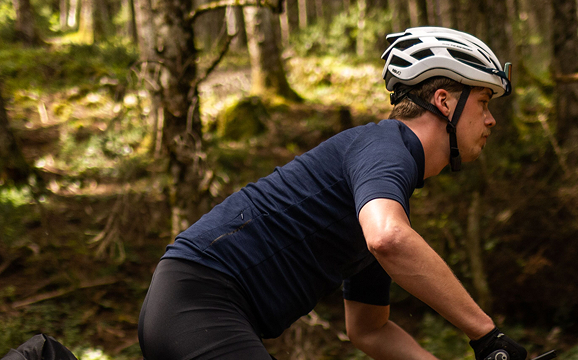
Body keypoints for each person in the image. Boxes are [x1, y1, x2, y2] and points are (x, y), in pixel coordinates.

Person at [137, 26, 527, 360]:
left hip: (194, 307)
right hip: (198, 301)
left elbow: (369, 329)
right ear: (444, 102)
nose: (491, 119)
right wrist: (485, 334)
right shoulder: (386, 146)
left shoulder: (380, 196)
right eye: (483, 101)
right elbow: (388, 239)